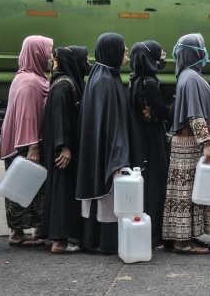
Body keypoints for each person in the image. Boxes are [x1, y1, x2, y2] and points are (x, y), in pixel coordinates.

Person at [76, 32, 144, 254]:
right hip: (108, 153)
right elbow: (111, 124)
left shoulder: (103, 75)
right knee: (105, 198)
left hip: (101, 150)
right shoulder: (105, 80)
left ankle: (94, 240)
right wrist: (118, 157)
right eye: (123, 48)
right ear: (112, 51)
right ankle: (103, 242)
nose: (126, 52)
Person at [162, 33, 210, 254]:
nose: (204, 52)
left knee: (188, 192)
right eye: (201, 48)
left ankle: (184, 237)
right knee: (187, 192)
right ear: (193, 52)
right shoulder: (192, 78)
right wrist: (207, 143)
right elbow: (195, 116)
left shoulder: (186, 76)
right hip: (192, 145)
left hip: (187, 143)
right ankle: (182, 241)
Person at [0, 35, 53, 247]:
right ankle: (17, 234)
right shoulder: (30, 83)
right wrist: (33, 147)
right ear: (37, 53)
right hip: (25, 143)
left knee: (27, 187)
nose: (50, 57)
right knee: (23, 187)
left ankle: (30, 230)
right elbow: (29, 116)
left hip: (21, 141)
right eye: (48, 52)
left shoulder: (26, 77)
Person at [42, 46, 92, 253]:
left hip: (62, 147)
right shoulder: (65, 85)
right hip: (62, 150)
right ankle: (59, 242)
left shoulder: (65, 82)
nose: (87, 63)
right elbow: (61, 120)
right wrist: (65, 147)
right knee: (62, 190)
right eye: (85, 59)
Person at [129, 41, 170, 249]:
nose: (162, 57)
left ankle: (149, 234)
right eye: (159, 54)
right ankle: (155, 236)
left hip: (142, 137)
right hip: (154, 138)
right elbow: (163, 113)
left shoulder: (135, 79)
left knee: (147, 186)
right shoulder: (150, 83)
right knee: (156, 186)